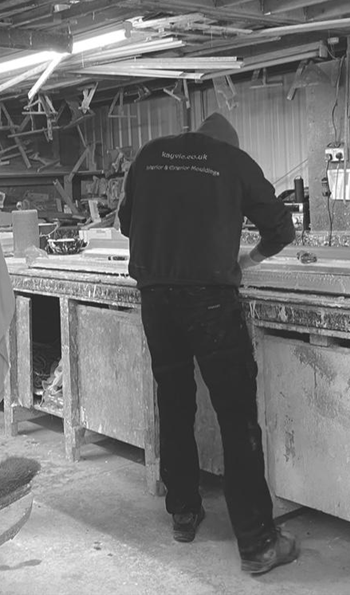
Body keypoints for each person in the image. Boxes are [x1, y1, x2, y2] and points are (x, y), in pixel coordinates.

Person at [118, 112, 299, 576]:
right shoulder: (232, 161)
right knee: (237, 415)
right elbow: (281, 230)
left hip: (156, 296)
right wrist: (247, 258)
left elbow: (126, 224)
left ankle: (183, 510)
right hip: (210, 299)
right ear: (227, 144)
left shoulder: (149, 155)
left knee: (174, 401)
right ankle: (257, 542)